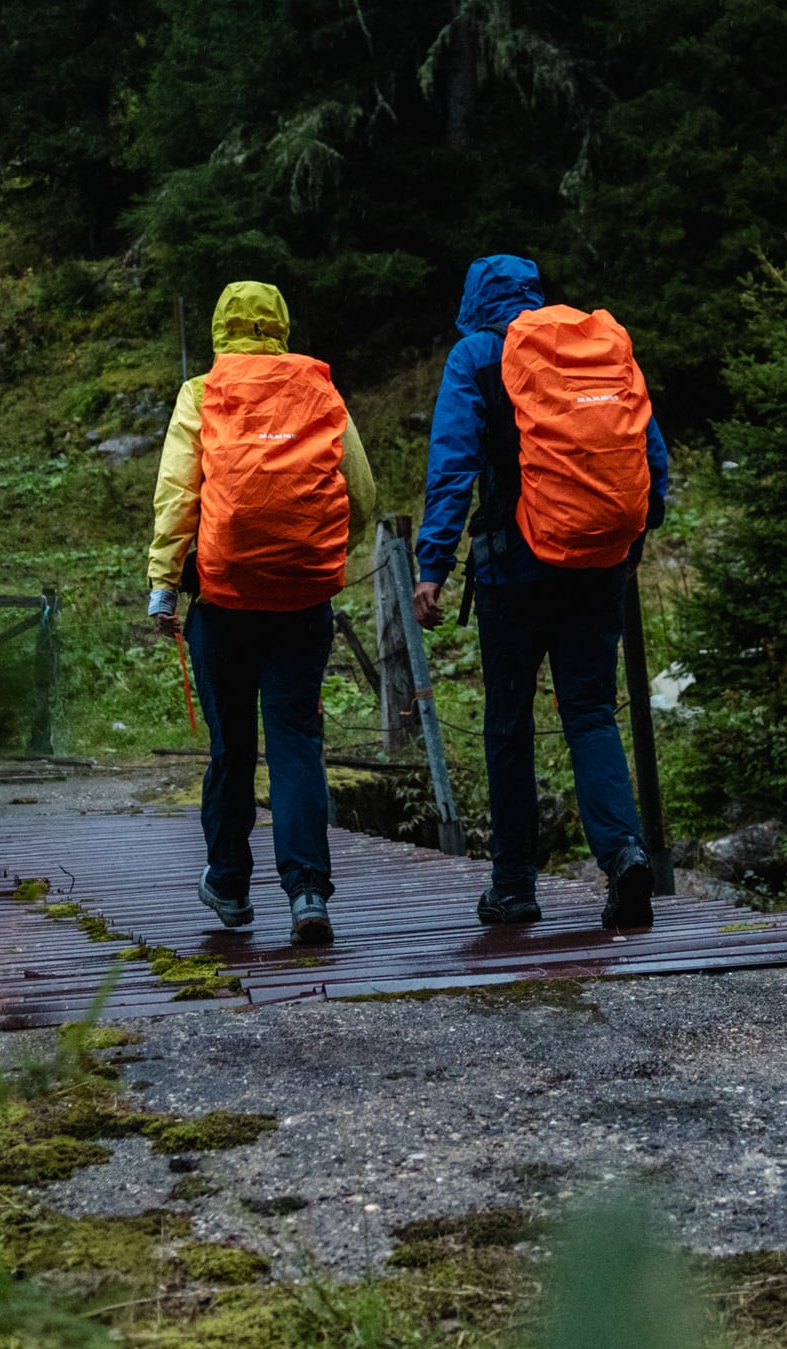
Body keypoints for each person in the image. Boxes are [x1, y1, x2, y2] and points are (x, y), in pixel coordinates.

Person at [413, 254, 670, 931]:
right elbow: (653, 455)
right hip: (599, 566)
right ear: (533, 295)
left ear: (475, 302)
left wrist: (432, 564)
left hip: (513, 570)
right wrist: (632, 540)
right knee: (589, 712)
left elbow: (453, 461)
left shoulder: (477, 355)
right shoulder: (594, 348)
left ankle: (514, 887)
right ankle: (622, 855)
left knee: (508, 724)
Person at [146, 281, 377, 945]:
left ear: (222, 326)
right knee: (297, 742)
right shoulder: (317, 387)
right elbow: (359, 491)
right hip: (303, 602)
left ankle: (228, 883)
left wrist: (164, 584)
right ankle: (307, 892)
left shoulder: (203, 391)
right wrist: (323, 553)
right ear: (279, 326)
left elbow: (177, 494)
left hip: (222, 602)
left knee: (232, 747)